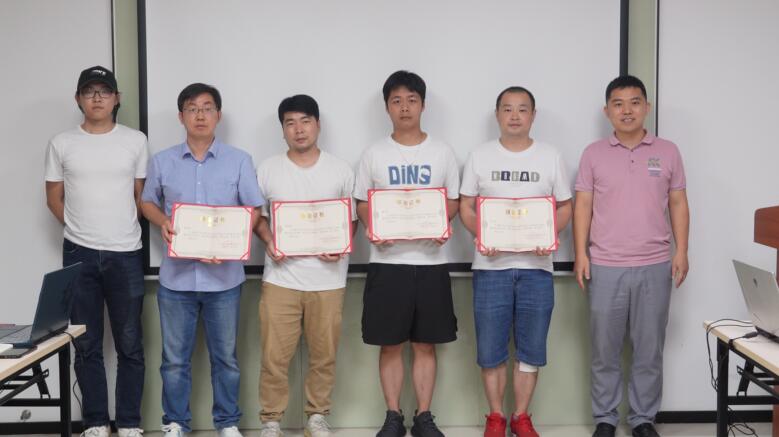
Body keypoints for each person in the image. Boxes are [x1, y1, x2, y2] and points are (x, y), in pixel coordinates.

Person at [141, 83, 264, 437]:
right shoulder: (162, 161)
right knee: (173, 361)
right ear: (181, 116)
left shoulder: (239, 160)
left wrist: (232, 243)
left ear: (218, 115)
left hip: (224, 279)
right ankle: (175, 422)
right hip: (176, 279)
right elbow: (147, 202)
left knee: (226, 359)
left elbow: (253, 209)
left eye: (207, 108)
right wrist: (162, 222)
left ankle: (227, 422)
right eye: (192, 108)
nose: (200, 115)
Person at [573, 75, 689, 437]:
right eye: (618, 104)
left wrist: (682, 250)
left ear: (647, 108)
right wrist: (580, 254)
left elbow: (678, 203)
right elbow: (583, 206)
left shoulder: (668, 151)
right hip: (605, 265)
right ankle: (605, 419)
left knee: (649, 350)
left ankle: (642, 419)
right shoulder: (593, 153)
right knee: (604, 350)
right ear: (607, 111)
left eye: (635, 102)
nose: (627, 110)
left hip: (655, 263)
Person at [459, 86, 573, 437]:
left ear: (533, 116)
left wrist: (549, 236)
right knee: (490, 349)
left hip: (536, 268)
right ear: (497, 114)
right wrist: (483, 234)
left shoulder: (550, 156)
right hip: (490, 268)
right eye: (507, 109)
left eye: (522, 109)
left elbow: (564, 206)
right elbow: (465, 206)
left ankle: (521, 417)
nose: (514, 115)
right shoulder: (480, 156)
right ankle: (495, 417)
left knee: (531, 348)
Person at [354, 70, 460, 437]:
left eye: (411, 100)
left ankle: (424, 417)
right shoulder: (374, 153)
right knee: (390, 344)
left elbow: (453, 201)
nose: (404, 107)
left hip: (431, 263)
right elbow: (362, 203)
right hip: (388, 263)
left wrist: (439, 224)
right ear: (387, 107)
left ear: (423, 105)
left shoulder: (442, 152)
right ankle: (393, 416)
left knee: (426, 344)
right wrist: (374, 226)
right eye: (396, 101)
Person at [44, 65, 148, 437]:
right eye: (90, 91)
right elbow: (53, 199)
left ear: (117, 98)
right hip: (79, 254)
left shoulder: (135, 141)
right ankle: (96, 423)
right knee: (86, 343)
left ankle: (130, 423)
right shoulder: (61, 143)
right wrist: (80, 229)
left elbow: (141, 199)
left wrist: (114, 228)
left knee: (130, 344)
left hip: (126, 253)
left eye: (105, 91)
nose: (98, 98)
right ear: (79, 99)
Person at [254, 95, 356, 437]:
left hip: (328, 280)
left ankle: (317, 416)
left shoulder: (340, 169)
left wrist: (341, 244)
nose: (298, 129)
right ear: (282, 129)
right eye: (290, 123)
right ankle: (271, 420)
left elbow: (350, 221)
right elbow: (258, 218)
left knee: (324, 356)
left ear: (318, 124)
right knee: (273, 357)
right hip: (281, 279)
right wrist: (270, 240)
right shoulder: (268, 169)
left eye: (305, 121)